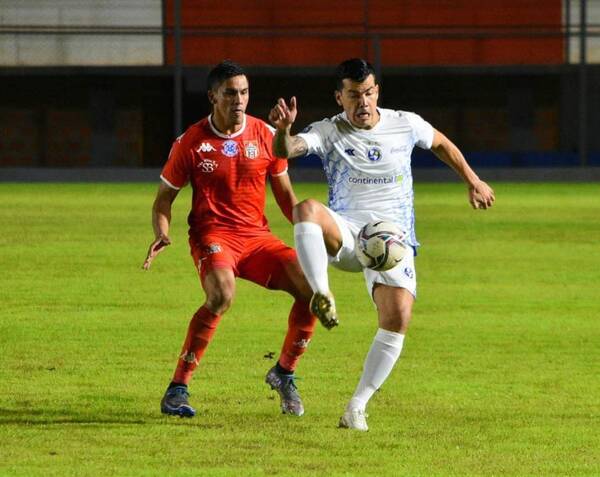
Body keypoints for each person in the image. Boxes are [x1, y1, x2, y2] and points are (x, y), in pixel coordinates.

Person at [269, 58, 495, 431]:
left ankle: (356, 407)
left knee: (398, 317)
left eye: (369, 93)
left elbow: (440, 143)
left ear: (378, 92)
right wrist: (284, 129)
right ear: (339, 97)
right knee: (306, 208)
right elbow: (286, 150)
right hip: (347, 232)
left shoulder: (405, 123)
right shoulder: (330, 130)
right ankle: (320, 293)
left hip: (391, 240)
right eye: (354, 95)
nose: (363, 102)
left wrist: (472, 179)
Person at [143, 60, 320, 419]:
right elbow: (164, 199)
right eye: (230, 93)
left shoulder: (266, 136)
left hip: (257, 239)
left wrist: (312, 237)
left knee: (312, 289)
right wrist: (162, 232)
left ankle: (284, 373)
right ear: (212, 96)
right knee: (221, 295)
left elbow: (286, 197)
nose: (239, 100)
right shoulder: (191, 142)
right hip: (213, 235)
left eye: (244, 92)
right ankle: (178, 388)